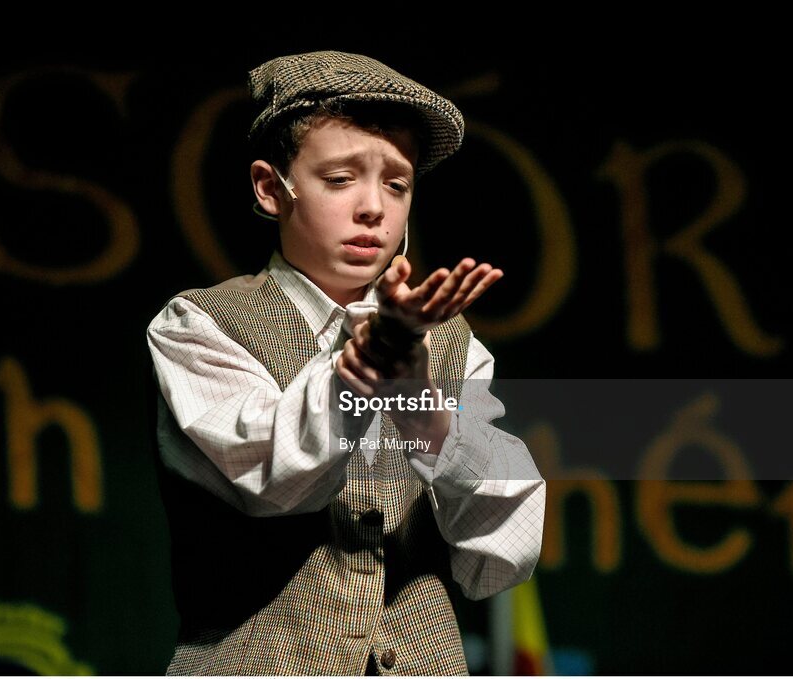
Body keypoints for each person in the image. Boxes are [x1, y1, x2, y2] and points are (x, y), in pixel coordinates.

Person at [147, 50, 545, 676]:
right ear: (270, 187)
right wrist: (361, 367)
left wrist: (422, 403)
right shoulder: (201, 325)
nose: (373, 208)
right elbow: (271, 480)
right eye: (339, 179)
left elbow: (502, 549)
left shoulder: (449, 345)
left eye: (397, 183)